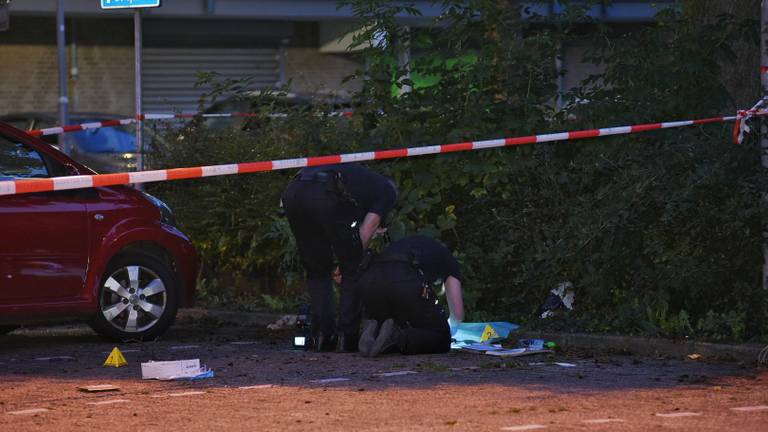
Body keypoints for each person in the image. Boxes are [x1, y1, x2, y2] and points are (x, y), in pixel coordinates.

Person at [281, 163, 398, 352]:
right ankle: (348, 337)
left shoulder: (359, 179)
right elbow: (364, 235)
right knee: (352, 268)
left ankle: (323, 336)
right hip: (325, 192)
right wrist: (345, 262)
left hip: (293, 192)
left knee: (317, 269)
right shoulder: (387, 192)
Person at [357, 235, 464, 357]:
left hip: (370, 280)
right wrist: (450, 324)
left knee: (392, 324)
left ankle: (373, 332)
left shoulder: (407, 244)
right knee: (441, 338)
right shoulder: (448, 259)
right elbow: (457, 313)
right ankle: (397, 337)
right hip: (403, 278)